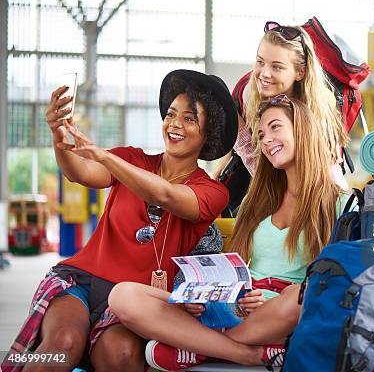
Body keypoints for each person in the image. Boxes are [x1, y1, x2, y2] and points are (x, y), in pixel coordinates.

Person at [3, 70, 237, 372]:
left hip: (135, 299)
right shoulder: (133, 159)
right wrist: (59, 139)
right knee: (63, 342)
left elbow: (166, 195)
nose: (175, 124)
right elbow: (81, 172)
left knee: (121, 353)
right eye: (170, 114)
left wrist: (106, 157)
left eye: (190, 118)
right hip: (81, 281)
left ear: (210, 132)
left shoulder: (212, 191)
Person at [108, 95, 348, 371]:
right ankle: (243, 352)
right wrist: (202, 297)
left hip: (281, 313)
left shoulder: (337, 203)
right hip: (232, 307)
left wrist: (279, 294)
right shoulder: (257, 200)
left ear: (302, 130)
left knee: (304, 295)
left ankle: (199, 348)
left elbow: (333, 284)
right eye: (261, 133)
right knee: (123, 296)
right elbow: (238, 268)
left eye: (275, 127)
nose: (266, 139)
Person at [213, 20, 349, 189]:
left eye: (277, 67)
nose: (264, 74)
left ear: (300, 72)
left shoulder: (316, 110)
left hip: (324, 197)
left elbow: (283, 186)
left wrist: (240, 135)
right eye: (260, 62)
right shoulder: (251, 93)